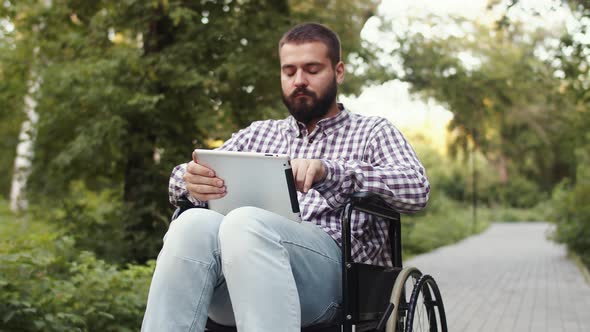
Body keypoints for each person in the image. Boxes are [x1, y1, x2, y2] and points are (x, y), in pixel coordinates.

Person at [141, 22, 430, 332]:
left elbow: (416, 188)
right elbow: (184, 175)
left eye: (312, 69)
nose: (299, 81)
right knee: (190, 224)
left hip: (335, 281)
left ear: (339, 72)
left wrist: (331, 171)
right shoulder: (258, 134)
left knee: (245, 221)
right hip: (236, 279)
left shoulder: (372, 132)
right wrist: (189, 180)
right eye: (289, 71)